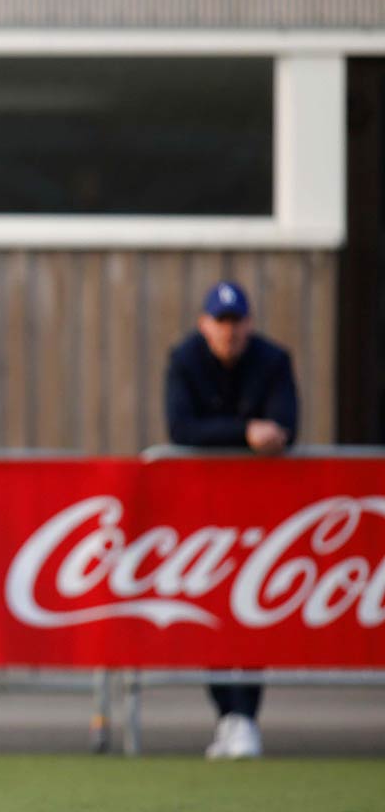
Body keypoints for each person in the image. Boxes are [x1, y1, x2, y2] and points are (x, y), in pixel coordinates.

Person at [164, 278, 300, 760]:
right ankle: (228, 713)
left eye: (236, 321)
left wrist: (259, 435)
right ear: (205, 324)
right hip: (204, 512)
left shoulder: (272, 360)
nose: (229, 331)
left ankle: (245, 715)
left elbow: (288, 425)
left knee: (252, 611)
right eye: (220, 322)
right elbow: (181, 428)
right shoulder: (185, 359)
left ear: (249, 322)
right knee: (212, 611)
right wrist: (244, 432)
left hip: (261, 512)